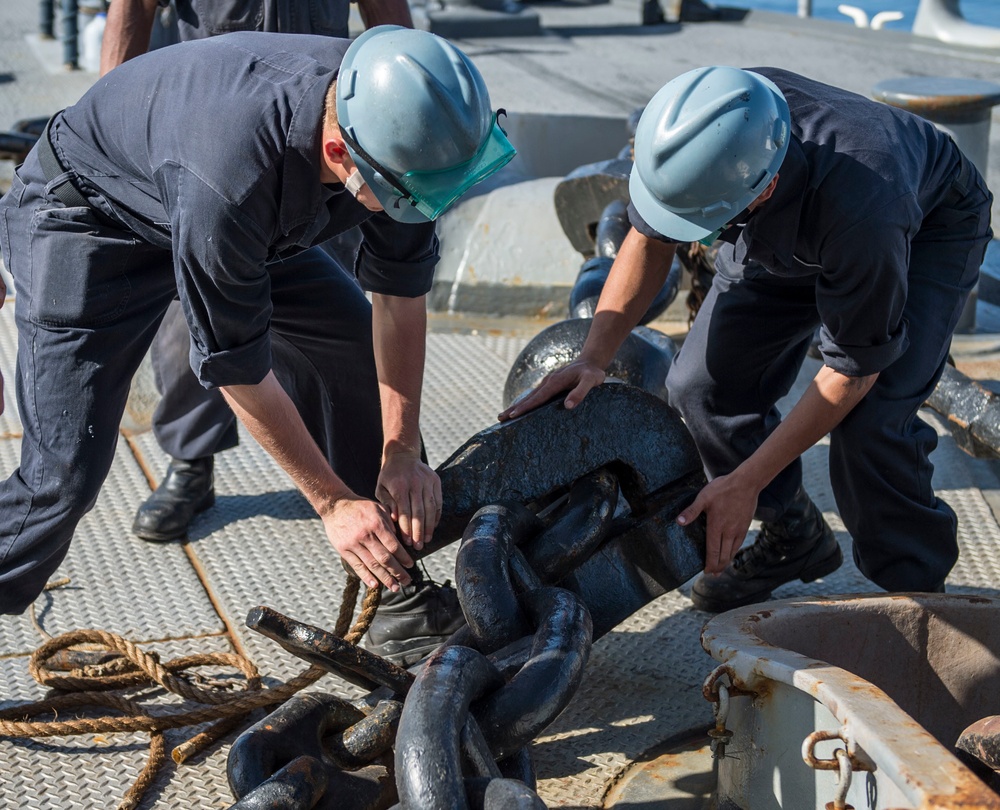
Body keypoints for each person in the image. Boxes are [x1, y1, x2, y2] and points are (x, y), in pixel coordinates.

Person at [0, 27, 516, 664]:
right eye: (410, 195)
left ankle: (397, 600)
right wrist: (330, 504)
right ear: (339, 152)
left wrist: (402, 448)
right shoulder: (234, 179)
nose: (424, 207)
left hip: (216, 201)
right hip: (88, 220)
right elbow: (237, 367)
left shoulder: (404, 130)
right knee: (62, 477)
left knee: (346, 338)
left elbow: (399, 298)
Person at [500, 65, 993, 613]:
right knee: (701, 386)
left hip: (926, 228)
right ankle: (796, 534)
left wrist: (746, 480)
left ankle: (921, 598)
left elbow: (851, 374)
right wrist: (594, 357)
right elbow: (648, 237)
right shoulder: (709, 134)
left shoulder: (866, 213)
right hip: (786, 220)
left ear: (763, 190)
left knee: (873, 428)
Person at [99, 1, 464, 665]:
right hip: (206, 136)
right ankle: (191, 459)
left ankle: (383, 536)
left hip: (332, 138)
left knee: (347, 336)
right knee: (198, 332)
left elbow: (386, 15)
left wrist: (415, 124)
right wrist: (119, 151)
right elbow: (133, 12)